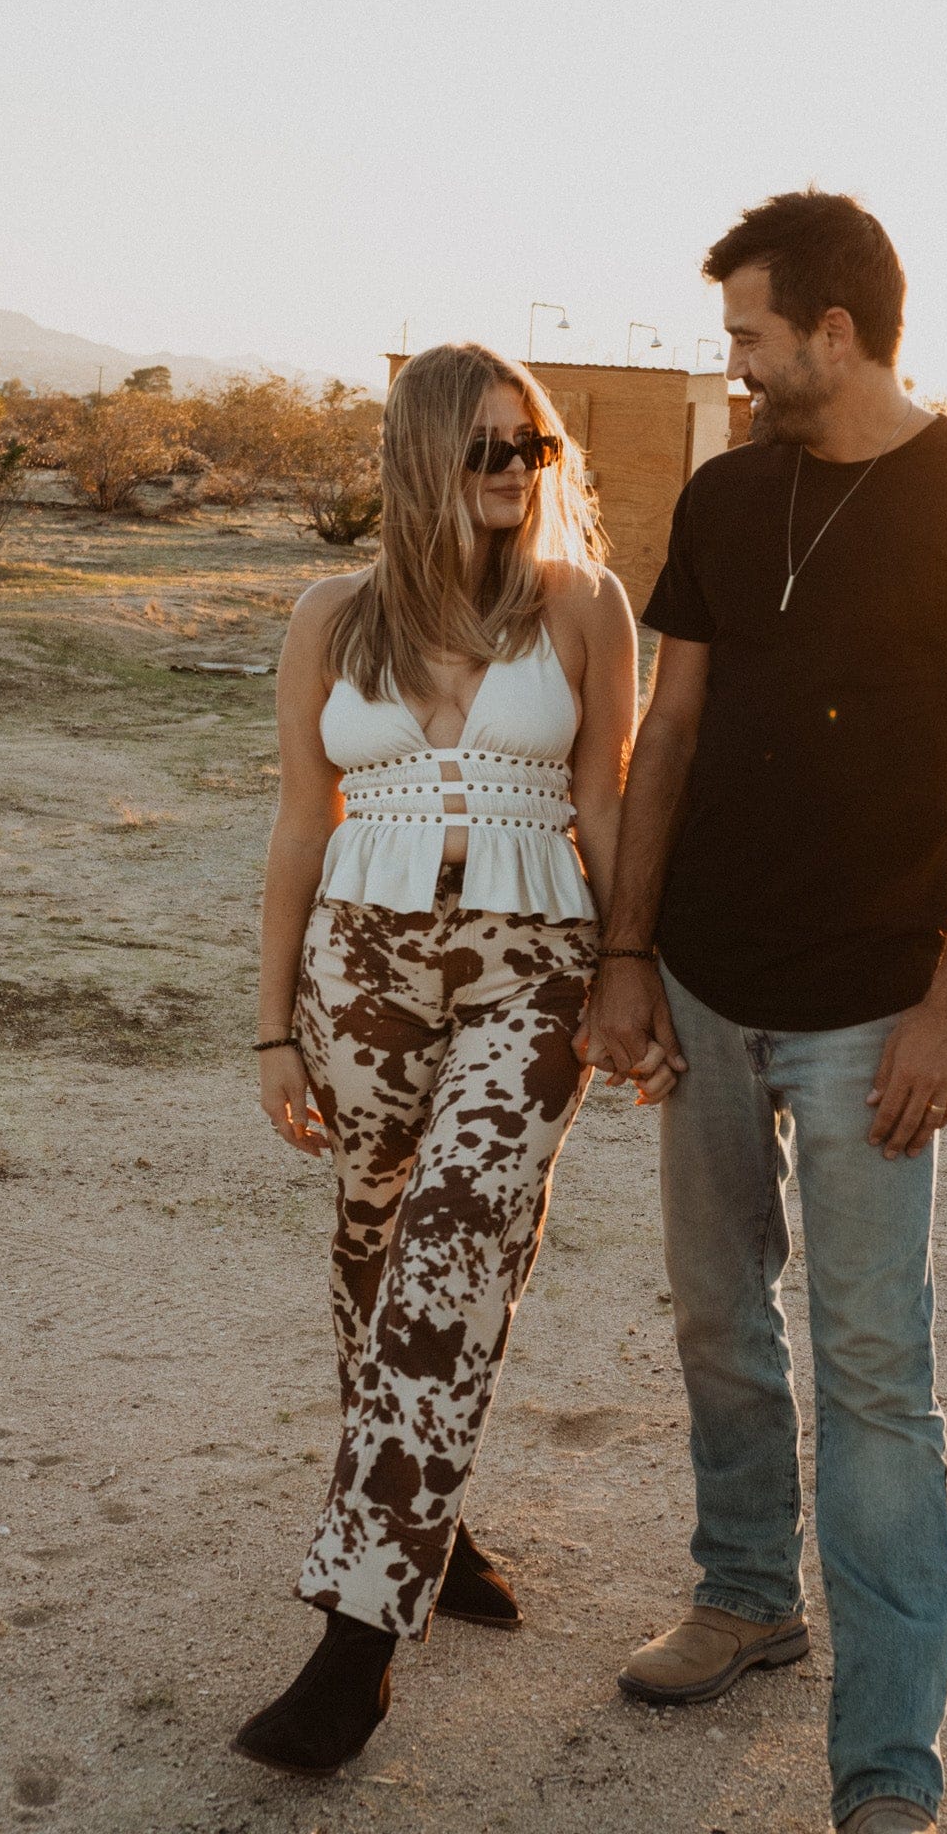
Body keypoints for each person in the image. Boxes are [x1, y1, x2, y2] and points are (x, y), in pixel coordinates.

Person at [583, 189, 947, 1834]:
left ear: (833, 334)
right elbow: (672, 734)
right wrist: (630, 956)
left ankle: (883, 1762)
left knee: (874, 1373)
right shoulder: (727, 494)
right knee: (718, 1323)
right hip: (710, 990)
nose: (729, 363)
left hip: (876, 1006)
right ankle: (745, 1597)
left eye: (745, 336)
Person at [233, 341, 637, 1775]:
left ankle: (356, 1639)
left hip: (533, 964)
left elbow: (608, 806)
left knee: (459, 1239)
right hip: (362, 962)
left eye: (530, 448)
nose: (513, 472)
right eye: (482, 448)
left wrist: (629, 980)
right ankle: (429, 1517)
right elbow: (299, 820)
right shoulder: (330, 615)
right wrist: (275, 1023)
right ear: (417, 457)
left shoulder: (585, 606)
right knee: (370, 1243)